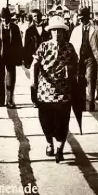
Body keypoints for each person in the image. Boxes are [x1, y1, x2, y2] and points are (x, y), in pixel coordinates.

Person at [30, 16, 78, 163]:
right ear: (50, 32)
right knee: (46, 121)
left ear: (64, 32)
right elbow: (34, 65)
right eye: (54, 30)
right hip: (45, 92)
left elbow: (76, 65)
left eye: (60, 30)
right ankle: (49, 142)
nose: (57, 33)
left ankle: (59, 149)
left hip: (63, 93)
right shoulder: (44, 46)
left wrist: (69, 69)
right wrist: (33, 82)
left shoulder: (69, 47)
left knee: (62, 122)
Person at [69, 7, 98, 111]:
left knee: (91, 80)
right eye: (79, 18)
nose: (80, 20)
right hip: (79, 59)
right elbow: (71, 45)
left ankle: (91, 104)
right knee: (80, 80)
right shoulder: (76, 30)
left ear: (87, 17)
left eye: (82, 18)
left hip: (91, 59)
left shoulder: (96, 30)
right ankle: (82, 104)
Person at [0, 7, 23, 108]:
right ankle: (1, 101)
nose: (5, 21)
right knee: (0, 80)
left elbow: (19, 44)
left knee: (11, 80)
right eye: (3, 19)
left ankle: (9, 101)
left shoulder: (15, 28)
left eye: (7, 19)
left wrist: (19, 58)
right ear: (1, 19)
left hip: (11, 58)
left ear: (10, 18)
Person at [23, 9, 51, 107]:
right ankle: (35, 100)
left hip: (45, 58)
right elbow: (26, 46)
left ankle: (43, 98)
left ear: (41, 16)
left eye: (38, 15)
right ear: (32, 17)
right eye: (34, 16)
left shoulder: (47, 29)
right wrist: (26, 60)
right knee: (34, 80)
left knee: (44, 78)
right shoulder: (29, 31)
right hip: (33, 58)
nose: (37, 18)